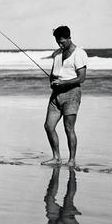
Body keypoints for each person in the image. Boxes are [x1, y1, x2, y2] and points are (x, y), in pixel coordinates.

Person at [42, 26, 88, 167]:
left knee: (69, 128)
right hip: (56, 95)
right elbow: (52, 73)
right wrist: (52, 82)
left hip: (72, 94)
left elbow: (81, 78)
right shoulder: (57, 54)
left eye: (62, 42)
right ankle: (56, 157)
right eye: (57, 42)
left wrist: (63, 82)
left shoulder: (79, 53)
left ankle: (72, 160)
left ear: (69, 38)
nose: (60, 44)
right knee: (48, 126)